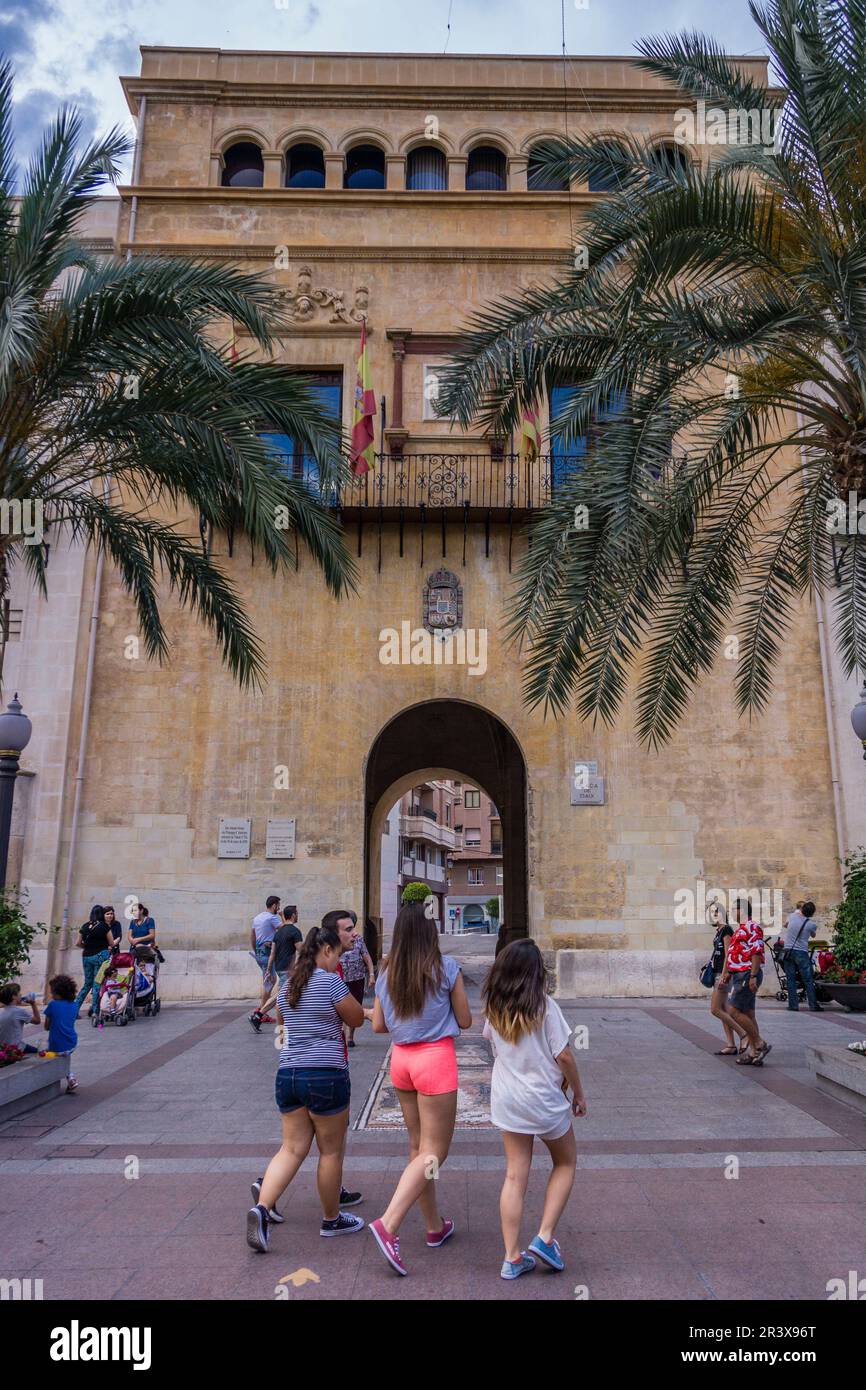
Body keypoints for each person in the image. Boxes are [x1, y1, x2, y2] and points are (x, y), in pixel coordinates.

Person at [246, 913, 367, 1253]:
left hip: (289, 1074)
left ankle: (263, 1209)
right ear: (325, 950)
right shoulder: (330, 982)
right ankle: (332, 1219)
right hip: (325, 1074)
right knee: (330, 1152)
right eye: (335, 953)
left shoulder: (286, 988)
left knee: (292, 1148)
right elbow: (355, 1018)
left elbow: (282, 1028)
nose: (337, 958)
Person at [367, 899, 472, 1276]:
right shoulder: (445, 968)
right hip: (434, 1060)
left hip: (400, 1062)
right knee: (435, 1153)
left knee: (417, 1148)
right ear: (430, 932)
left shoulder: (386, 971)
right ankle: (389, 1223)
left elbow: (378, 1026)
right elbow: (464, 1020)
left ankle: (433, 1227)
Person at [482, 939, 587, 1279]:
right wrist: (578, 1094)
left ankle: (512, 1258)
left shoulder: (495, 1006)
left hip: (508, 1099)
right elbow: (565, 1055)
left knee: (515, 1174)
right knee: (566, 1161)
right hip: (543, 1099)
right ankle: (544, 1236)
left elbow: (491, 1042)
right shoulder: (544, 1007)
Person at [720, 899, 771, 1066]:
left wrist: (753, 976)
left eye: (733, 909)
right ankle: (754, 1053)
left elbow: (757, 951)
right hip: (740, 974)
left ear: (741, 910)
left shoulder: (752, 927)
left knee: (734, 1011)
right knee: (748, 1014)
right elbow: (736, 954)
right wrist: (729, 973)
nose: (731, 912)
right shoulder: (741, 929)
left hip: (747, 974)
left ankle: (759, 1043)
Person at [249, 906, 303, 1034]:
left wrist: (268, 969)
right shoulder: (295, 931)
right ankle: (258, 1016)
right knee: (280, 995)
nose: (298, 915)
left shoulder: (278, 933)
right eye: (297, 913)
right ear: (293, 915)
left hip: (279, 967)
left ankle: (289, 1020)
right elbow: (302, 950)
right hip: (287, 969)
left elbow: (272, 953)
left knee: (286, 994)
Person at [707, 905, 748, 1056]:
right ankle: (731, 1045)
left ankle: (743, 1034)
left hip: (722, 975)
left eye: (716, 912)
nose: (713, 915)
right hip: (718, 973)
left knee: (715, 1009)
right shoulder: (719, 931)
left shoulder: (727, 930)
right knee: (723, 1010)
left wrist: (724, 975)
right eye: (711, 912)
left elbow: (728, 954)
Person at [74, 905, 119, 1017]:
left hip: (86, 957)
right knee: (97, 983)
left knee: (87, 984)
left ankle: (74, 1011)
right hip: (100, 957)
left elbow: (78, 943)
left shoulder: (85, 926)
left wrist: (88, 946)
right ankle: (95, 1011)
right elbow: (112, 943)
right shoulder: (104, 926)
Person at [340, 922, 375, 1047]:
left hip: (357, 978)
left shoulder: (359, 939)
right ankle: (342, 1034)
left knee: (355, 1006)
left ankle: (350, 1037)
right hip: (342, 978)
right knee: (341, 1007)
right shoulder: (338, 939)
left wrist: (371, 974)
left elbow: (367, 957)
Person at [783, 899, 822, 1012]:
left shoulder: (792, 916)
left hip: (788, 951)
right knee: (808, 979)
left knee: (790, 978)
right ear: (812, 913)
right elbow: (813, 935)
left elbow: (786, 925)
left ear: (802, 909)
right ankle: (813, 1005)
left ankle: (793, 1005)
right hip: (801, 952)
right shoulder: (811, 924)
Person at [249, 895, 281, 1028]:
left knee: (268, 981)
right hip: (268, 953)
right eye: (278, 905)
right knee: (270, 982)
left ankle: (261, 1012)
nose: (279, 908)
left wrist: (256, 951)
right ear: (274, 905)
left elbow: (252, 935)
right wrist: (282, 915)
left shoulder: (257, 917)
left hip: (259, 952)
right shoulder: (272, 918)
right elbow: (286, 929)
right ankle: (260, 1012)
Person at [44, 975, 80, 1093]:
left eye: (52, 993)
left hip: (56, 1044)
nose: (51, 995)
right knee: (64, 1057)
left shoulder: (53, 1005)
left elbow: (46, 1026)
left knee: (46, 1056)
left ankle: (69, 1077)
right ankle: (71, 1080)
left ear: (58, 993)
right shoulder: (74, 1005)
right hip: (71, 1042)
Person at [0, 982, 41, 1054]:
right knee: (39, 1053)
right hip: (16, 1048)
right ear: (14, 996)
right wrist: (33, 1004)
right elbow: (37, 1021)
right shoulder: (18, 1011)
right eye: (19, 993)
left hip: (3, 1048)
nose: (21, 995)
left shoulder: (3, 1012)